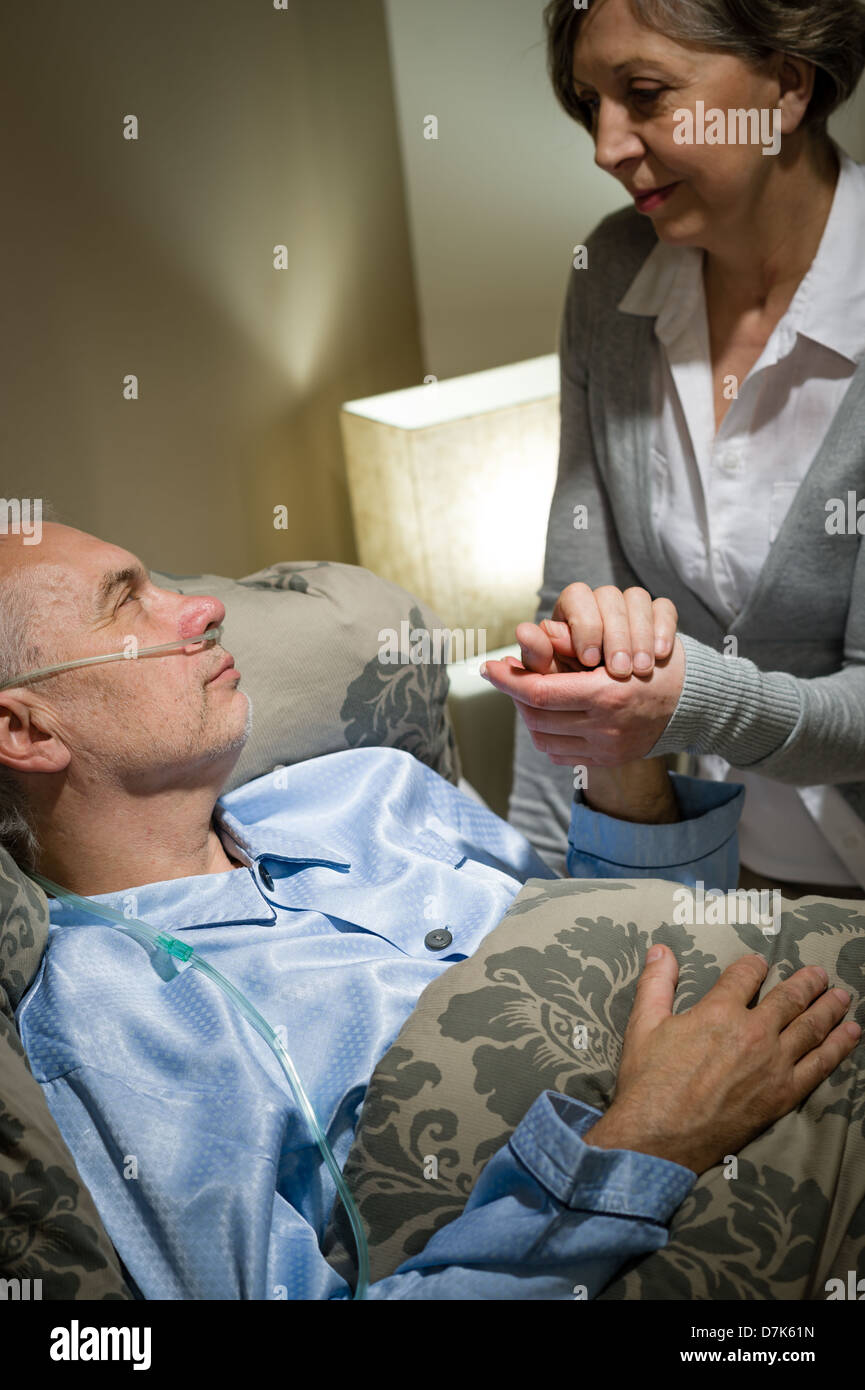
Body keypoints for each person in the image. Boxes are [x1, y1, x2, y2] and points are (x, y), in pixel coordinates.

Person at [0, 524, 859, 1299]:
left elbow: (648, 934)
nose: (204, 609)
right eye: (128, 603)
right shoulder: (108, 1028)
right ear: (27, 732)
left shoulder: (369, 788)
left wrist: (619, 760)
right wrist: (642, 1146)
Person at [487, 0, 865, 893]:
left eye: (645, 94)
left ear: (784, 83)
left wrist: (686, 704)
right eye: (590, 103)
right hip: (704, 864)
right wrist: (538, 896)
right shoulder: (612, 274)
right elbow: (568, 616)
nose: (606, 146)